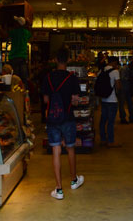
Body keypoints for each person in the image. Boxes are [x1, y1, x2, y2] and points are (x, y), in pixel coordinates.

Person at [42, 48, 84, 200]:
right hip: (68, 117)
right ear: (68, 60)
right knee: (71, 148)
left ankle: (59, 189)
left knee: (56, 150)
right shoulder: (72, 78)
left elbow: (46, 100)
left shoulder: (48, 77)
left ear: (55, 60)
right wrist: (70, 101)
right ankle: (74, 180)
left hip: (53, 119)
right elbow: (76, 100)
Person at [99, 56, 121, 147]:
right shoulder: (115, 72)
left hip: (103, 100)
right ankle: (111, 141)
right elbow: (118, 86)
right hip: (112, 100)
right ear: (114, 62)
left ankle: (103, 140)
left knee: (103, 121)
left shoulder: (101, 71)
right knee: (111, 122)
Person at [8, 15, 31, 83]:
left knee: (14, 78)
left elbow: (5, 35)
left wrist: (0, 28)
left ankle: (16, 91)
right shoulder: (26, 32)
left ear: (18, 24)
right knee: (23, 78)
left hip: (14, 57)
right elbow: (31, 37)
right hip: (22, 58)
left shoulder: (14, 32)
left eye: (16, 22)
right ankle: (24, 91)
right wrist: (28, 25)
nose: (14, 23)